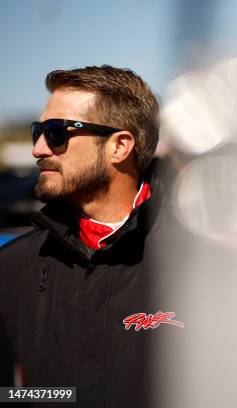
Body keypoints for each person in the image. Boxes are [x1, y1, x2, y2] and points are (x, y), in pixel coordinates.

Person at [0, 65, 183, 407]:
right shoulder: (10, 267)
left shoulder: (199, 267)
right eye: (37, 131)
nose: (39, 149)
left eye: (56, 133)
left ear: (120, 146)